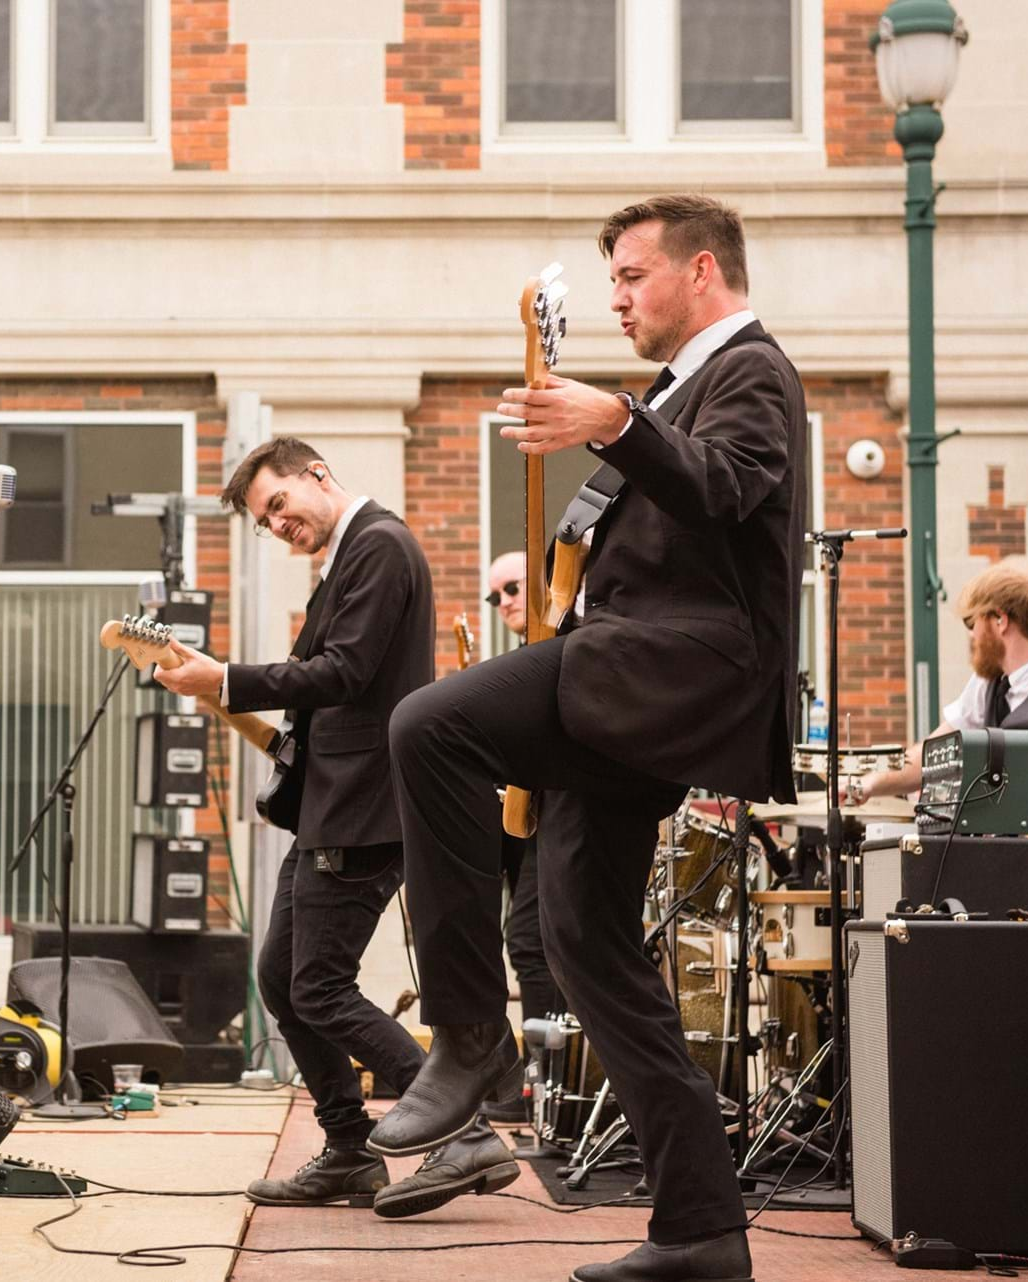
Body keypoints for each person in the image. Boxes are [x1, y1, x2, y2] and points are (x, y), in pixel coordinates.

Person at [377, 194, 803, 1282]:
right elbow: (636, 539)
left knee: (429, 723)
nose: (617, 296)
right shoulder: (676, 390)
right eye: (608, 280)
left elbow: (726, 488)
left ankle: (470, 1036)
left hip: (668, 678)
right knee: (588, 947)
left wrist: (614, 422)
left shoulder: (747, 369)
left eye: (633, 276)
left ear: (702, 272)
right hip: (620, 680)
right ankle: (703, 1229)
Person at [154, 438, 518, 1220]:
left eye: (278, 504)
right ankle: (351, 1151)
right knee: (282, 979)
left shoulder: (380, 546)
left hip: (364, 807)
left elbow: (345, 674)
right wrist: (222, 687)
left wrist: (223, 678)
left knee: (315, 985)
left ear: (317, 475)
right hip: (334, 801)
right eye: (264, 521)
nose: (276, 525)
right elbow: (323, 699)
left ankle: (467, 1132)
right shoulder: (349, 559)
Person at [853, 558, 1028, 929]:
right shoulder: (991, 686)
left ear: (999, 620)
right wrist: (866, 783)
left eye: (972, 623)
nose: (970, 636)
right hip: (1009, 881)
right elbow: (933, 757)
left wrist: (1014, 854)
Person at [479, 551, 566, 1125]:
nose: (504, 601)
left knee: (533, 942)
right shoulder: (521, 656)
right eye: (495, 597)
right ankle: (536, 1083)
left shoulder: (557, 645)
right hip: (528, 821)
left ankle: (546, 1086)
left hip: (562, 817)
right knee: (519, 941)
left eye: (511, 587)